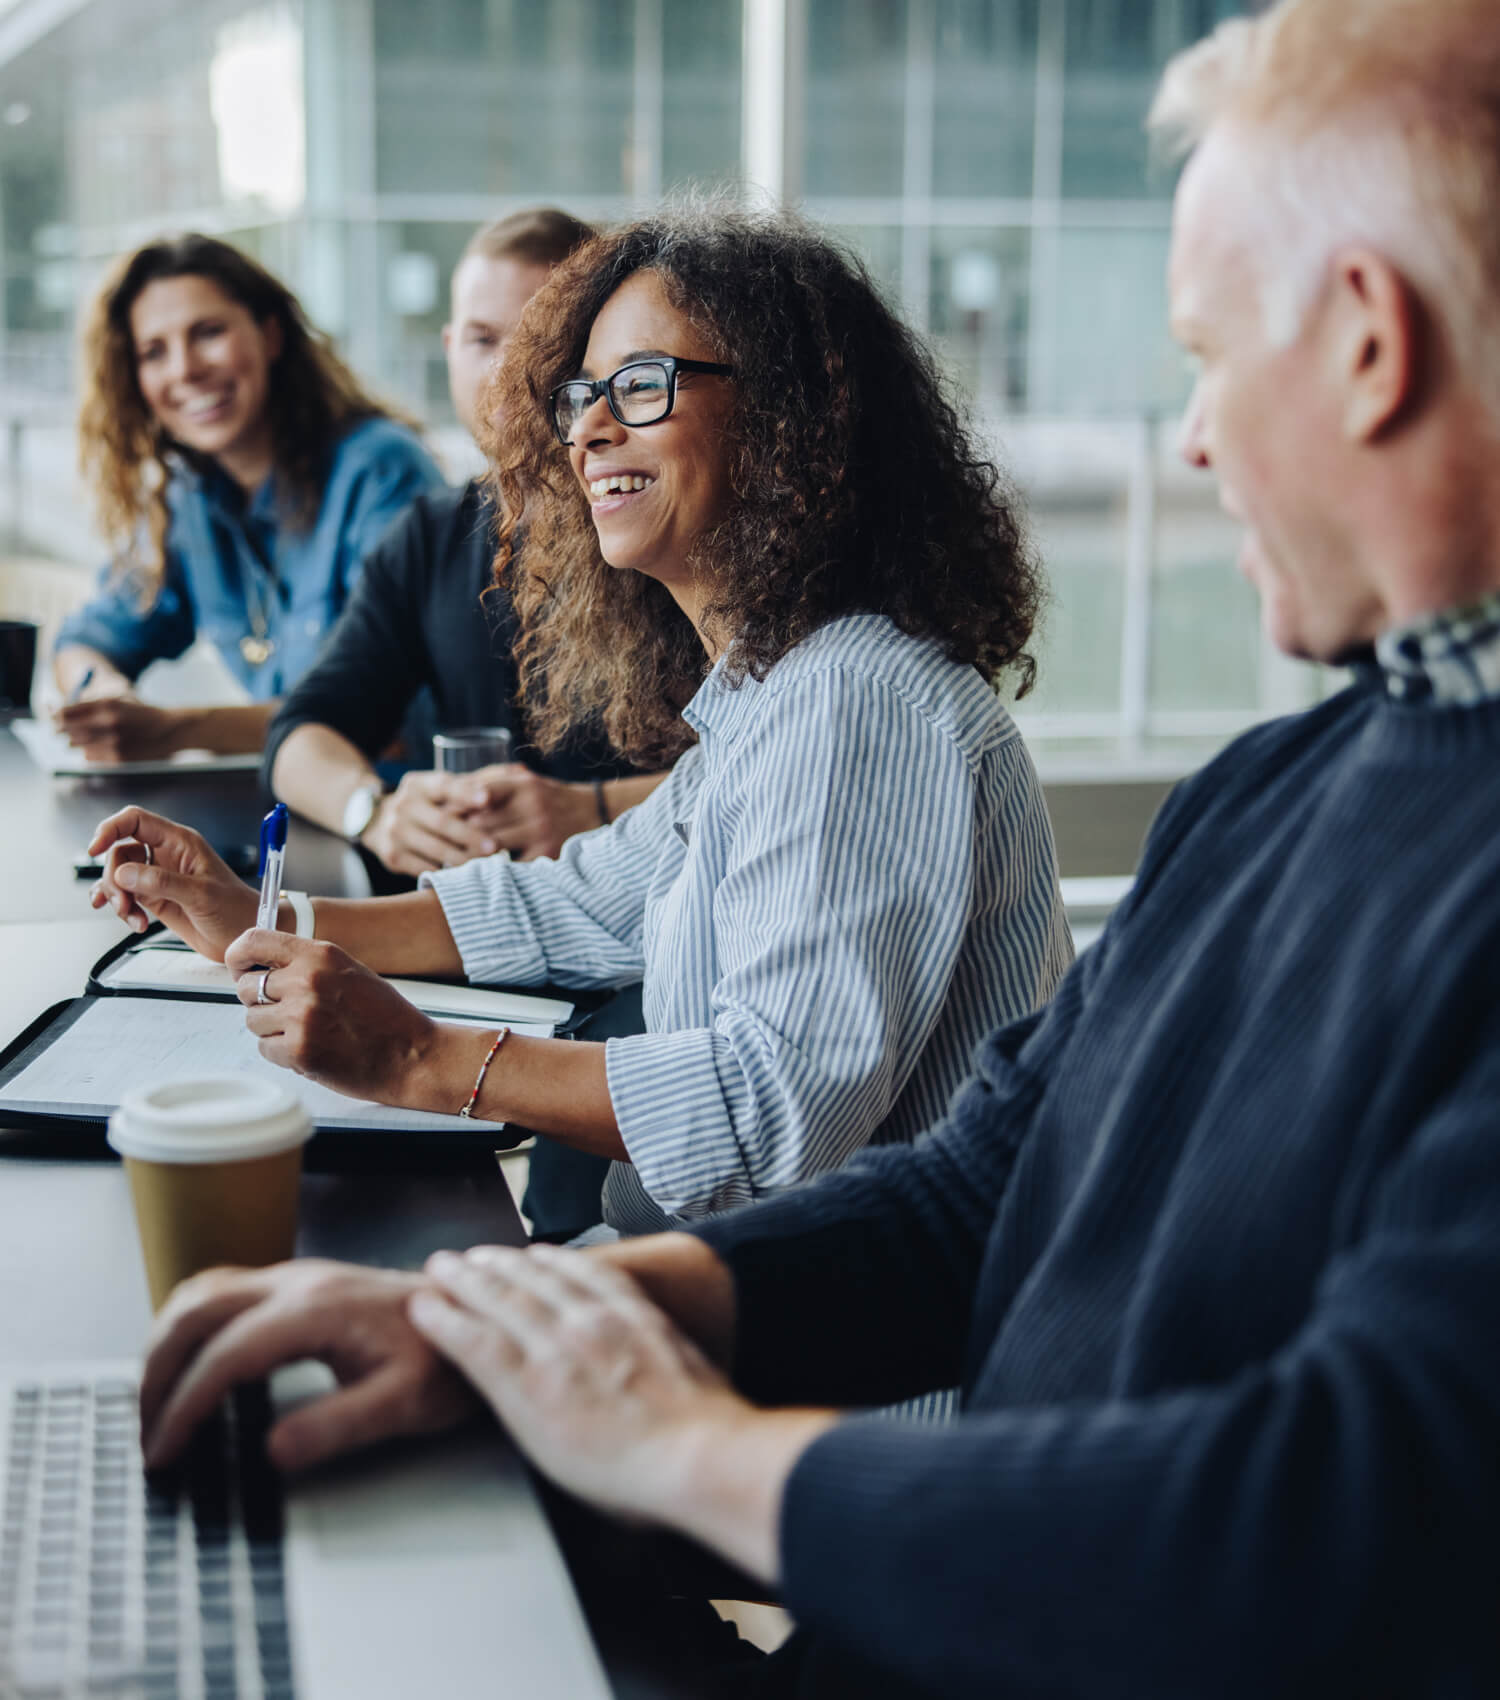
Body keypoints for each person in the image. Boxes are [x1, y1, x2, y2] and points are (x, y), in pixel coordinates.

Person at [135, 1, 1500, 1694]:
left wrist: (661, 1430)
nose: (1192, 438)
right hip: (942, 1536)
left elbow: (1334, 1518)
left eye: (1208, 355)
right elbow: (970, 1187)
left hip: (969, 1550)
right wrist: (542, 1323)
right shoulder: (1279, 785)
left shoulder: (872, 706)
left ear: (1368, 340)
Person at [89, 208, 1071, 1240]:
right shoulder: (774, 687)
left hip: (842, 1367)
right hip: (733, 1287)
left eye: (642, 385)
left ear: (794, 417)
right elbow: (573, 902)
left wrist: (417, 1056)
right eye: (583, 394)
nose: (589, 428)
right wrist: (262, 918)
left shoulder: (856, 700)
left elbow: (768, 1116)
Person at [264, 208, 665, 875]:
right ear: (449, 349)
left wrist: (593, 811)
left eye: (544, 341)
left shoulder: (662, 524)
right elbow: (300, 735)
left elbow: (767, 760)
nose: (510, 371)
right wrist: (375, 811)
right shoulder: (430, 537)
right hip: (473, 933)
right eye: (484, 340)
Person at [52, 234, 441, 762]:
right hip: (286, 809)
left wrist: (174, 730)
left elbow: (389, 720)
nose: (184, 369)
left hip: (396, 815)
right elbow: (88, 638)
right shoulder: (189, 497)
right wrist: (101, 696)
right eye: (154, 352)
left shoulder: (379, 471)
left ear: (271, 336)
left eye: (208, 333)